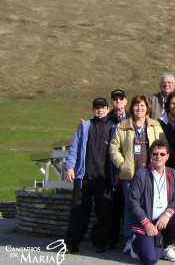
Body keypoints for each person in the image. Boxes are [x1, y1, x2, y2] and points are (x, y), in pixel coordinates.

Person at [109, 95, 168, 254]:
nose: (139, 109)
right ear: (131, 108)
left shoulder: (155, 125)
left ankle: (150, 238)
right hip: (130, 175)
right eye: (136, 106)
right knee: (130, 208)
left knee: (150, 206)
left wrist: (160, 163)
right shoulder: (122, 126)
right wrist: (122, 164)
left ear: (147, 108)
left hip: (151, 174)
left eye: (142, 106)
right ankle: (129, 238)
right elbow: (114, 148)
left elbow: (164, 146)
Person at [64, 98, 113, 254]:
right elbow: (74, 149)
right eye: (97, 108)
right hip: (83, 177)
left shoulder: (114, 128)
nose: (100, 110)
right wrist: (70, 167)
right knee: (78, 211)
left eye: (103, 107)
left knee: (103, 212)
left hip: (103, 178)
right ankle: (71, 244)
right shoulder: (85, 127)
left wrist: (117, 173)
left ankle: (99, 243)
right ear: (93, 110)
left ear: (107, 109)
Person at [129, 140, 175, 264]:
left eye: (162, 154)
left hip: (164, 220)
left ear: (167, 156)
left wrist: (167, 215)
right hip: (146, 222)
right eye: (155, 154)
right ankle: (136, 243)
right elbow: (133, 201)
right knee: (151, 259)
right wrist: (146, 223)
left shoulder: (172, 174)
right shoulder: (141, 174)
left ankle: (167, 247)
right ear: (150, 155)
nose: (158, 157)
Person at [107, 89, 131, 249]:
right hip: (114, 168)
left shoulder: (132, 118)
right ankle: (113, 239)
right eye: (115, 99)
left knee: (129, 204)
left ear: (125, 101)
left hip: (129, 169)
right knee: (115, 206)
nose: (118, 101)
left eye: (120, 99)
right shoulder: (107, 119)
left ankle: (128, 238)